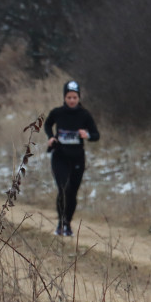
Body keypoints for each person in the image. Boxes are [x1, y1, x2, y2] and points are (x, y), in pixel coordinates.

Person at [44, 80, 100, 236]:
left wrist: (87, 135)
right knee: (63, 188)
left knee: (72, 193)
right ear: (64, 97)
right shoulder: (57, 112)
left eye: (74, 97)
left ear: (79, 98)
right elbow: (47, 124)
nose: (72, 100)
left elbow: (96, 135)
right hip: (60, 156)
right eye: (69, 97)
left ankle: (67, 223)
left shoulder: (84, 114)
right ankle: (60, 223)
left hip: (77, 158)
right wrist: (50, 137)